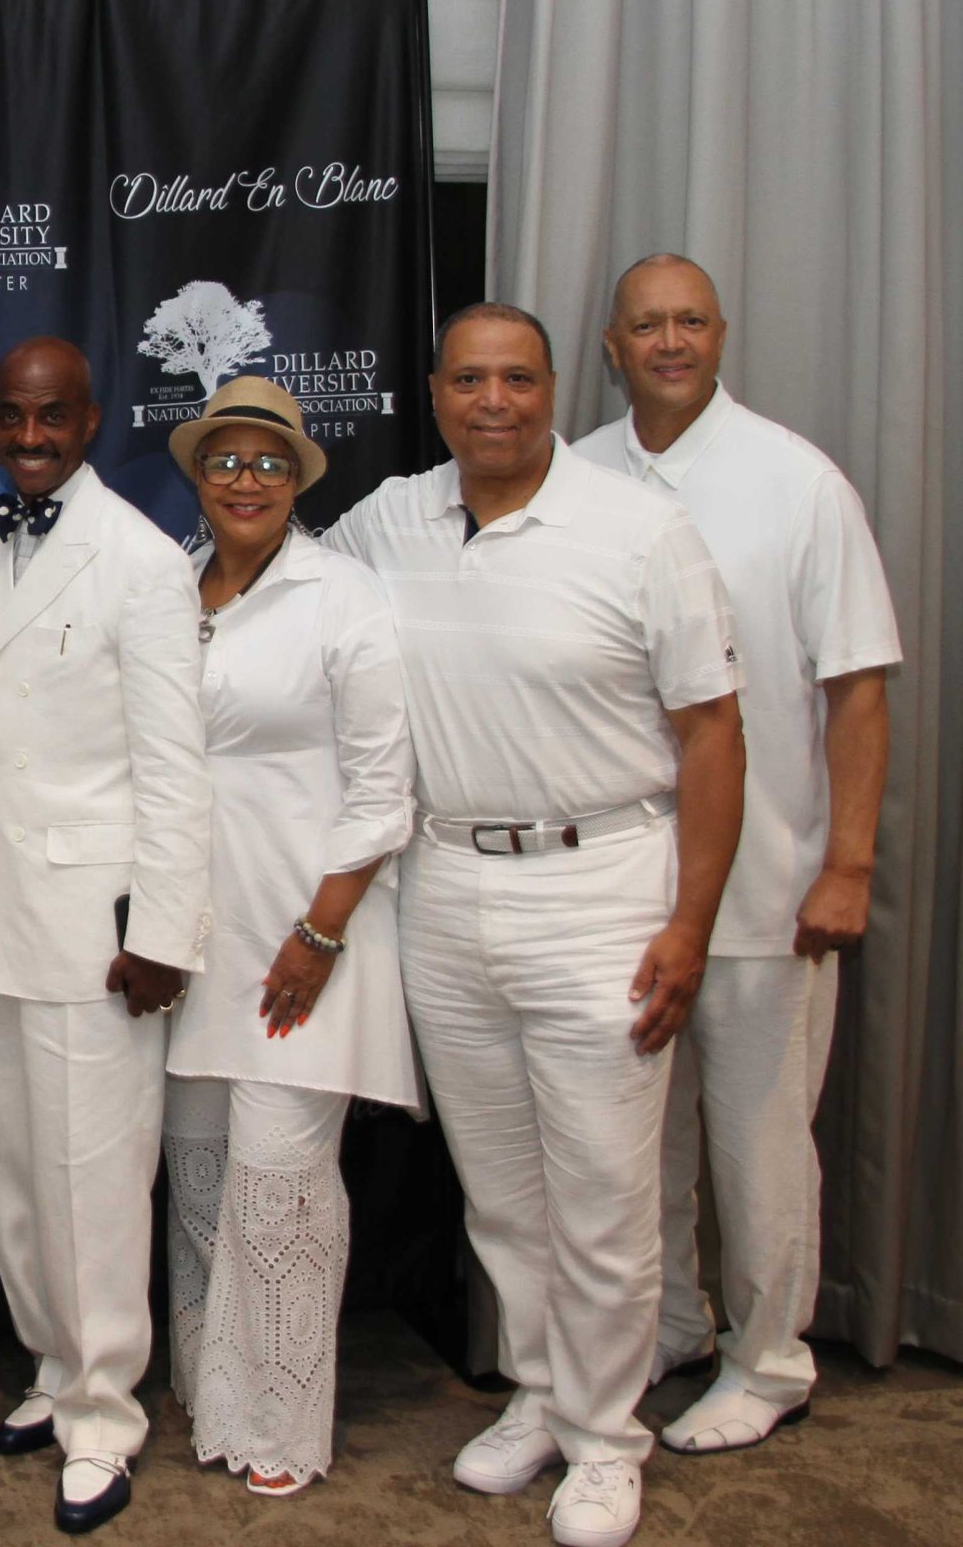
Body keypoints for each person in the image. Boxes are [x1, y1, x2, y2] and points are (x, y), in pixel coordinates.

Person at [325, 304, 745, 1547]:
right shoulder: (388, 519)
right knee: (502, 1191)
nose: (492, 401)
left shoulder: (641, 530)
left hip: (600, 885)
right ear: (435, 394)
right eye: (468, 380)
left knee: (604, 1195)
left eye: (515, 378)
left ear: (557, 386)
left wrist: (691, 922)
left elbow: (713, 734)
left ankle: (609, 1439)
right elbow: (278, 586)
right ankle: (545, 1394)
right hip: (445, 885)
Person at [572, 255, 901, 1453]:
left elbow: (856, 687)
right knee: (636, 1145)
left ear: (720, 335)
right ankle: (668, 1325)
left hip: (769, 889)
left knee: (760, 1147)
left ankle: (768, 1361)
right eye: (647, 325)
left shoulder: (796, 482)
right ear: (611, 348)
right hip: (616, 893)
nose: (670, 342)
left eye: (690, 322)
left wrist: (846, 863)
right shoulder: (576, 477)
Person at [0, 338, 213, 1532]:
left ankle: (105, 1412)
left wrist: (162, 929)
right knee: (16, 1169)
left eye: (51, 414)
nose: (31, 434)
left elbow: (175, 767)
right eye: (13, 414)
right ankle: (55, 1366)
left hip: (96, 927)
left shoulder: (143, 559)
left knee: (95, 1180)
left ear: (91, 420)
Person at [155, 377, 416, 1497]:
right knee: (201, 1174)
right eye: (225, 460)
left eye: (268, 462)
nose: (245, 480)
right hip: (190, 937)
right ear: (196, 474)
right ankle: (208, 1389)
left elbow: (385, 788)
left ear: (298, 479)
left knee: (280, 1183)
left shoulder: (343, 594)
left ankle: (278, 1421)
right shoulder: (167, 589)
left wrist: (322, 931)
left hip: (307, 936)